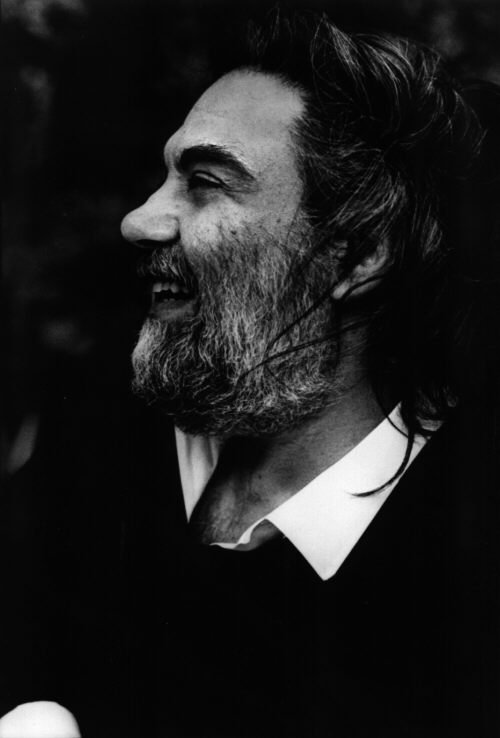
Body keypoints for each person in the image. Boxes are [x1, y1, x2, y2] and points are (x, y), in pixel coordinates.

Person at [2, 9, 500, 738]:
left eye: (205, 181)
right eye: (166, 177)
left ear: (357, 253)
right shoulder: (104, 426)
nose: (140, 220)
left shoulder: (461, 584)